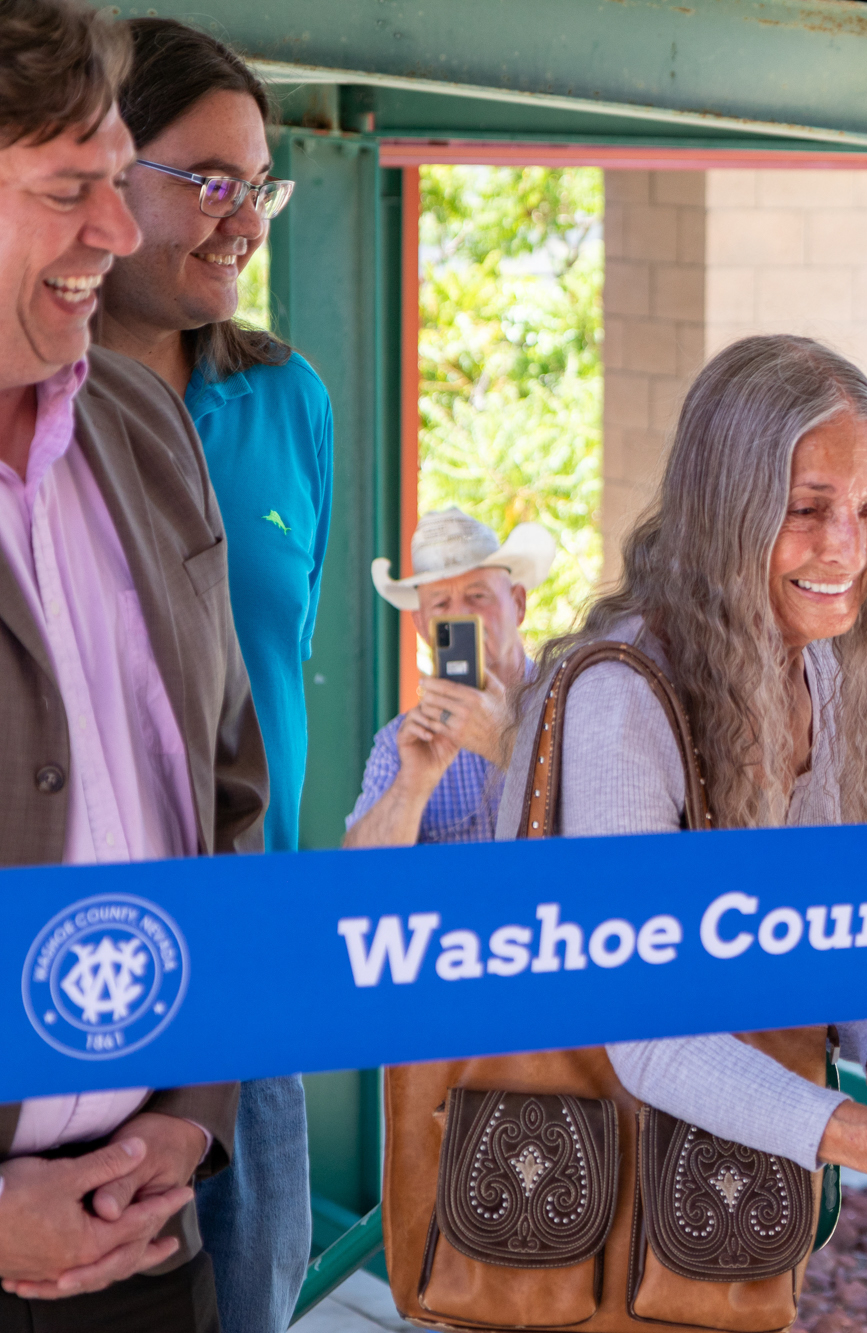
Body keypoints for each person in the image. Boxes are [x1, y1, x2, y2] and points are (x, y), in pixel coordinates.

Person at [494, 333, 867, 1271]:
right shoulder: (620, 697)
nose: (849, 548)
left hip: (717, 1228)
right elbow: (648, 1033)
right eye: (806, 509)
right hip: (576, 1224)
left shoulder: (815, 664)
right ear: (724, 512)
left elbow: (807, 937)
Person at [0, 0, 264, 1327]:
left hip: (152, 1239)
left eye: (119, 182)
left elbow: (225, 792)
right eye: (70, 191)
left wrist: (194, 1113)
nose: (116, 231)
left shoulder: (144, 423)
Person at [90, 21, 328, 1331]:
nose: (244, 221)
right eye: (209, 181)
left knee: (260, 1300)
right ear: (102, 171)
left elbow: (277, 671)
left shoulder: (288, 399)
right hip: (82, 966)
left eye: (261, 186)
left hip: (258, 953)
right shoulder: (36, 421)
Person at [343, 507, 553, 847]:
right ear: (422, 625)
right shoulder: (400, 744)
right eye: (441, 603)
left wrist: (506, 743)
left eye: (478, 596)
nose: (461, 615)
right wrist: (413, 782)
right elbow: (357, 879)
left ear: (518, 603)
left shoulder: (571, 706)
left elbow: (610, 826)